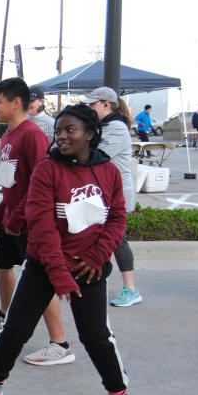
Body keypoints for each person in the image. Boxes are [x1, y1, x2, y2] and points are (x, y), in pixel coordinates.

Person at [0, 104, 130, 395]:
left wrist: (95, 256)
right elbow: (42, 229)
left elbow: (116, 218)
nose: (61, 136)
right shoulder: (48, 170)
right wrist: (59, 274)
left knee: (96, 336)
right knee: (16, 328)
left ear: (90, 134)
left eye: (69, 130)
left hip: (89, 268)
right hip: (45, 265)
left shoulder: (108, 172)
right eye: (58, 130)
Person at [0, 78, 71, 367]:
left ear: (15, 102)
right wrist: (1, 212)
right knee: (2, 265)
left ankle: (61, 344)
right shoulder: (8, 136)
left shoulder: (32, 135)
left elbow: (39, 183)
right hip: (12, 218)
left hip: (31, 223)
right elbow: (11, 183)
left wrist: (18, 217)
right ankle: (6, 314)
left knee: (38, 283)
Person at [84, 86, 143, 307]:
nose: (90, 108)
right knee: (100, 237)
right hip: (102, 193)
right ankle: (95, 280)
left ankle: (131, 288)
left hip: (115, 194)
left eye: (93, 104)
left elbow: (98, 155)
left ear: (106, 105)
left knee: (118, 240)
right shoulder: (103, 126)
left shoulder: (116, 127)